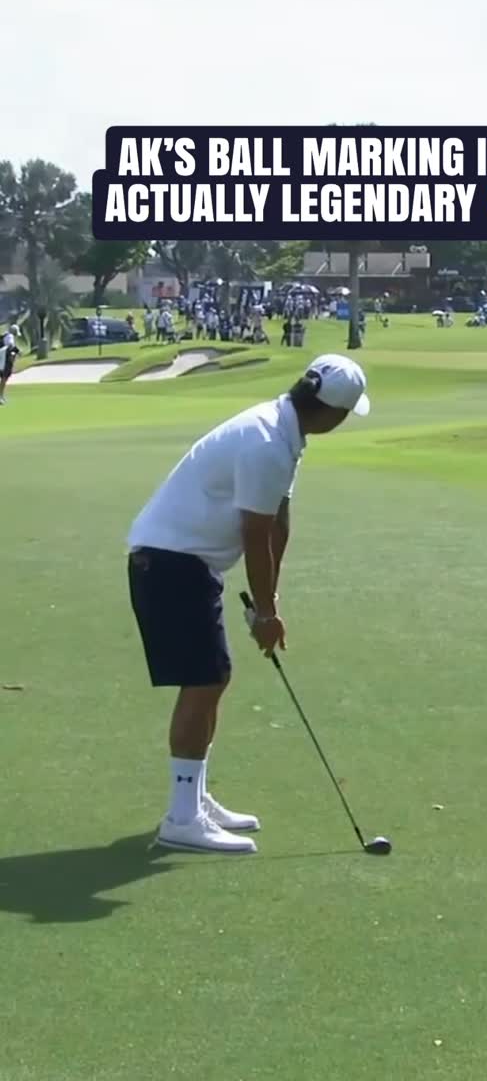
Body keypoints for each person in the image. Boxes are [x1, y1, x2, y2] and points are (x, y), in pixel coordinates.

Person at [127, 354, 370, 854]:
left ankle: (193, 799)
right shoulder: (266, 443)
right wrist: (264, 613)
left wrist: (268, 603)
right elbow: (254, 535)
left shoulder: (282, 431)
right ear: (332, 413)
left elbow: (278, 521)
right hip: (170, 562)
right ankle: (181, 819)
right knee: (205, 680)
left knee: (212, 678)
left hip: (186, 563)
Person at [0, 325, 20, 405]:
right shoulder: (10, 336)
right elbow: (11, 346)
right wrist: (16, 352)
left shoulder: (5, 335)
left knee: (3, 377)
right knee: (4, 378)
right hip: (5, 360)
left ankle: (1, 396)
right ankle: (0, 396)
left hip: (2, 359)